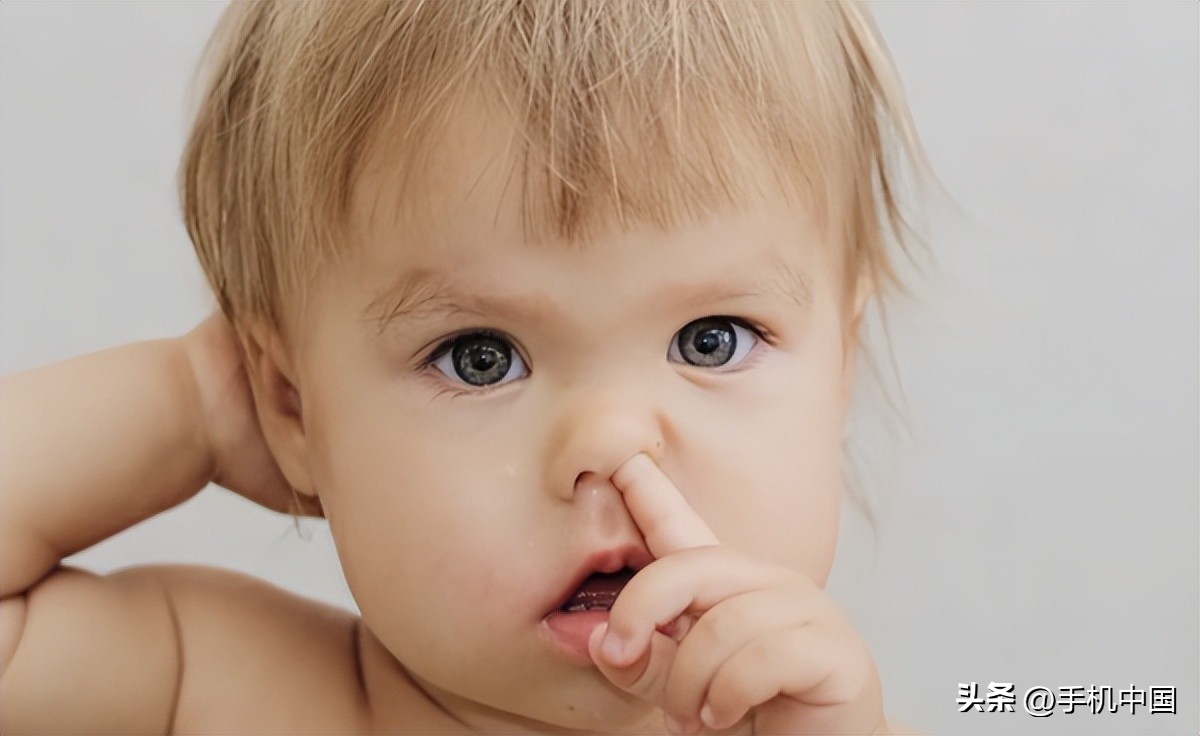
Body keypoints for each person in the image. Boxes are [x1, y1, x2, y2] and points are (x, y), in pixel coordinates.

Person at [0, 1, 930, 733]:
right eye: (480, 358)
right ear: (290, 402)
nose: (608, 444)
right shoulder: (215, 693)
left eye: (711, 338)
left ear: (842, 365)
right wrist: (192, 402)